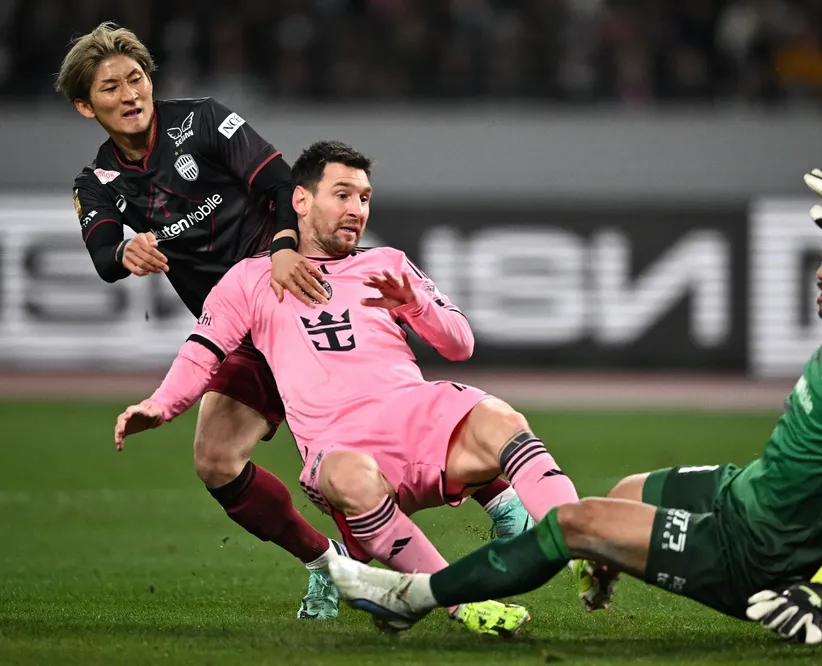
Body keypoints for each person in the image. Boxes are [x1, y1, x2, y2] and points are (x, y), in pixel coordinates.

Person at [322, 169, 822, 646]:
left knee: (574, 524)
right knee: (627, 491)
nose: (821, 272)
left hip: (754, 547)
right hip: (750, 491)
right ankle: (606, 556)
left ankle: (413, 597)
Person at [58, 22, 529, 621]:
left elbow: (282, 181)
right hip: (242, 328)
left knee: (374, 416)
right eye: (110, 88)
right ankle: (327, 565)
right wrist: (126, 253)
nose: (130, 95)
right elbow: (103, 256)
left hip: (301, 289)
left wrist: (283, 246)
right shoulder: (98, 183)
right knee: (215, 461)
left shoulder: (200, 121)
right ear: (84, 105)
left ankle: (501, 500)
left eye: (137, 79)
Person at [112, 140, 578, 636]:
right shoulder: (250, 279)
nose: (357, 209)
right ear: (301, 200)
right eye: (342, 194)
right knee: (348, 478)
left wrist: (416, 304)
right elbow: (201, 351)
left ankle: (580, 543)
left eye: (364, 197)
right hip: (341, 445)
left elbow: (460, 344)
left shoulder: (388, 262)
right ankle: (460, 601)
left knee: (504, 420)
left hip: (417, 416)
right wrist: (161, 405)